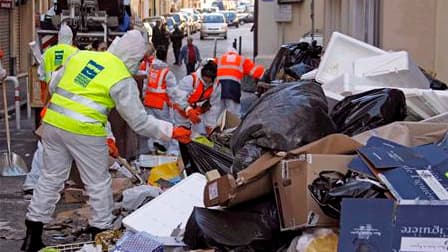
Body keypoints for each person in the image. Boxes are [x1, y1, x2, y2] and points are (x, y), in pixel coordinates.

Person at [21, 30, 191, 252]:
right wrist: (171, 131)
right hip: (85, 131)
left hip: (53, 125)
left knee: (50, 179)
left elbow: (54, 86)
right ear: (133, 56)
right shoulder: (120, 75)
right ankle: (99, 237)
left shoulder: (80, 56)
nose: (138, 64)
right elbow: (138, 122)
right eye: (139, 59)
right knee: (98, 184)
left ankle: (31, 237)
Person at [143, 46, 178, 154]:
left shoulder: (150, 69)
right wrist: (174, 103)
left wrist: (144, 97)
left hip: (148, 101)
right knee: (166, 125)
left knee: (152, 124)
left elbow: (145, 85)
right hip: (160, 103)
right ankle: (165, 147)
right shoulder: (167, 72)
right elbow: (172, 91)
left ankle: (152, 146)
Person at [172, 59, 221, 136]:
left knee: (197, 136)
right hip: (182, 113)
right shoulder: (190, 80)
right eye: (205, 80)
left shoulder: (216, 86)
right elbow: (178, 97)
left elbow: (214, 106)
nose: (207, 83)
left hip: (198, 114)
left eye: (209, 81)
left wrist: (210, 125)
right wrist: (188, 110)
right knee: (182, 134)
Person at [217, 47, 265, 117]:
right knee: (234, 111)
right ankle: (234, 125)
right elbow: (255, 71)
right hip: (233, 87)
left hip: (219, 88)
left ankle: (217, 125)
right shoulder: (241, 59)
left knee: (218, 110)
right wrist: (264, 73)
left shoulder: (219, 59)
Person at [38, 23, 78, 102]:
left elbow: (41, 75)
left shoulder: (48, 52)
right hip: (69, 94)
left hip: (50, 94)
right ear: (71, 37)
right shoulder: (76, 52)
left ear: (59, 36)